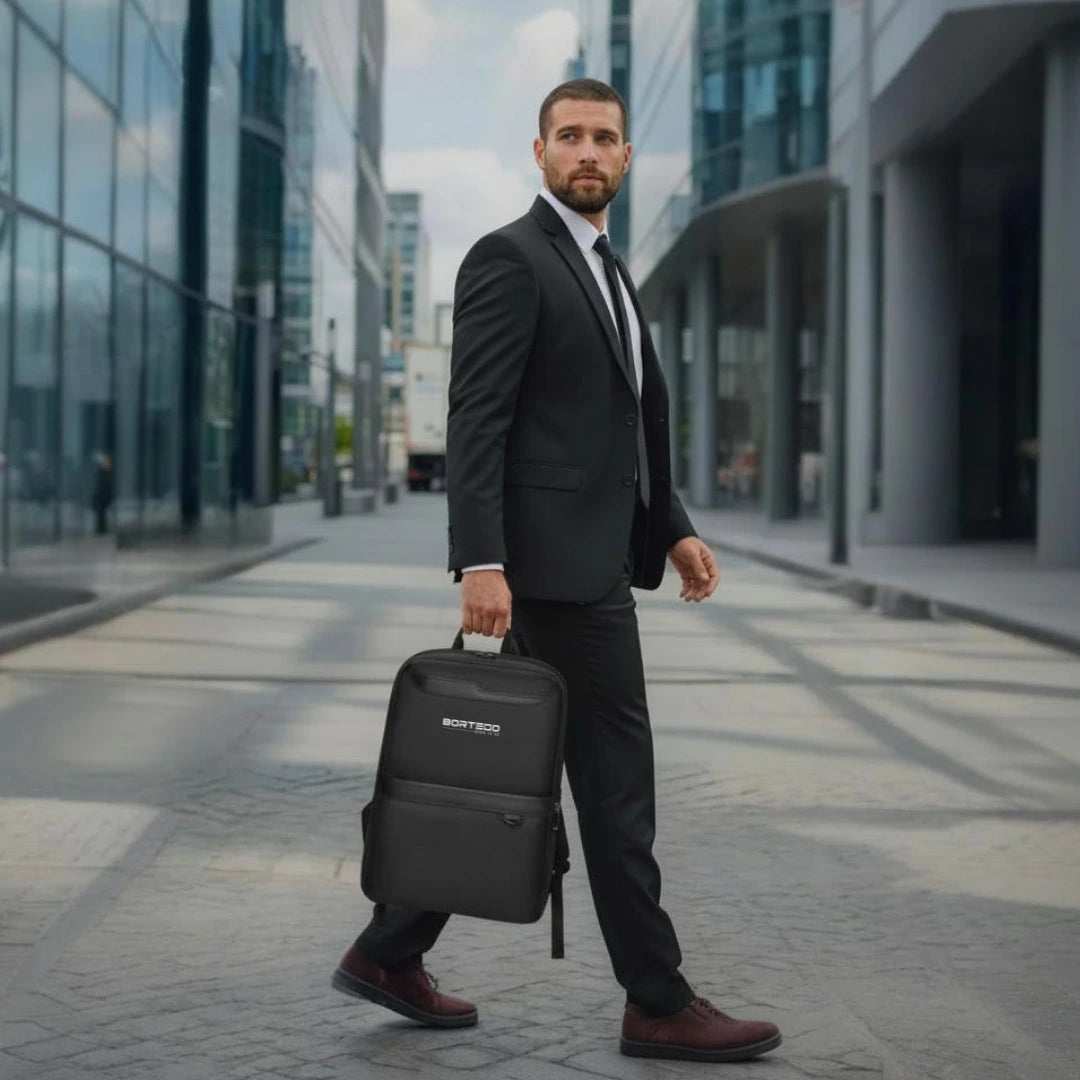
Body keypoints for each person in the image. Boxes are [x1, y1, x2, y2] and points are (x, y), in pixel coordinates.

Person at [332, 78, 782, 1064]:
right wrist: (481, 559)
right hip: (551, 575)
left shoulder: (608, 268)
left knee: (512, 769)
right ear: (539, 152)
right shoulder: (511, 257)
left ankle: (388, 950)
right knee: (617, 788)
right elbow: (476, 418)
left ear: (625, 158)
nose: (587, 151)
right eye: (569, 135)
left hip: (584, 561)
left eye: (604, 138)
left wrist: (671, 526)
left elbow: (625, 419)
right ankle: (658, 1001)